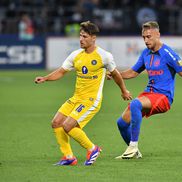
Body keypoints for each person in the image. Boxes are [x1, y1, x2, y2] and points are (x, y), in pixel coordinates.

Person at [35, 21, 132, 166]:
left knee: (68, 126)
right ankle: (68, 157)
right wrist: (45, 78)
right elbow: (61, 71)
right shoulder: (76, 55)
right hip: (76, 98)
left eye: (85, 36)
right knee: (56, 123)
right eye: (80, 36)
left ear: (93, 38)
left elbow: (116, 74)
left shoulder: (104, 56)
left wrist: (124, 91)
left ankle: (92, 149)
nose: (81, 39)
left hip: (91, 100)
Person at [114, 21, 182, 159]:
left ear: (158, 35)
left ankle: (133, 146)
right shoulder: (146, 53)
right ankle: (134, 152)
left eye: (149, 36)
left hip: (163, 97)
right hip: (149, 94)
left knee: (135, 104)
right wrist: (116, 74)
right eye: (143, 37)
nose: (146, 40)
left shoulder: (168, 53)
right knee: (121, 123)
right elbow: (133, 72)